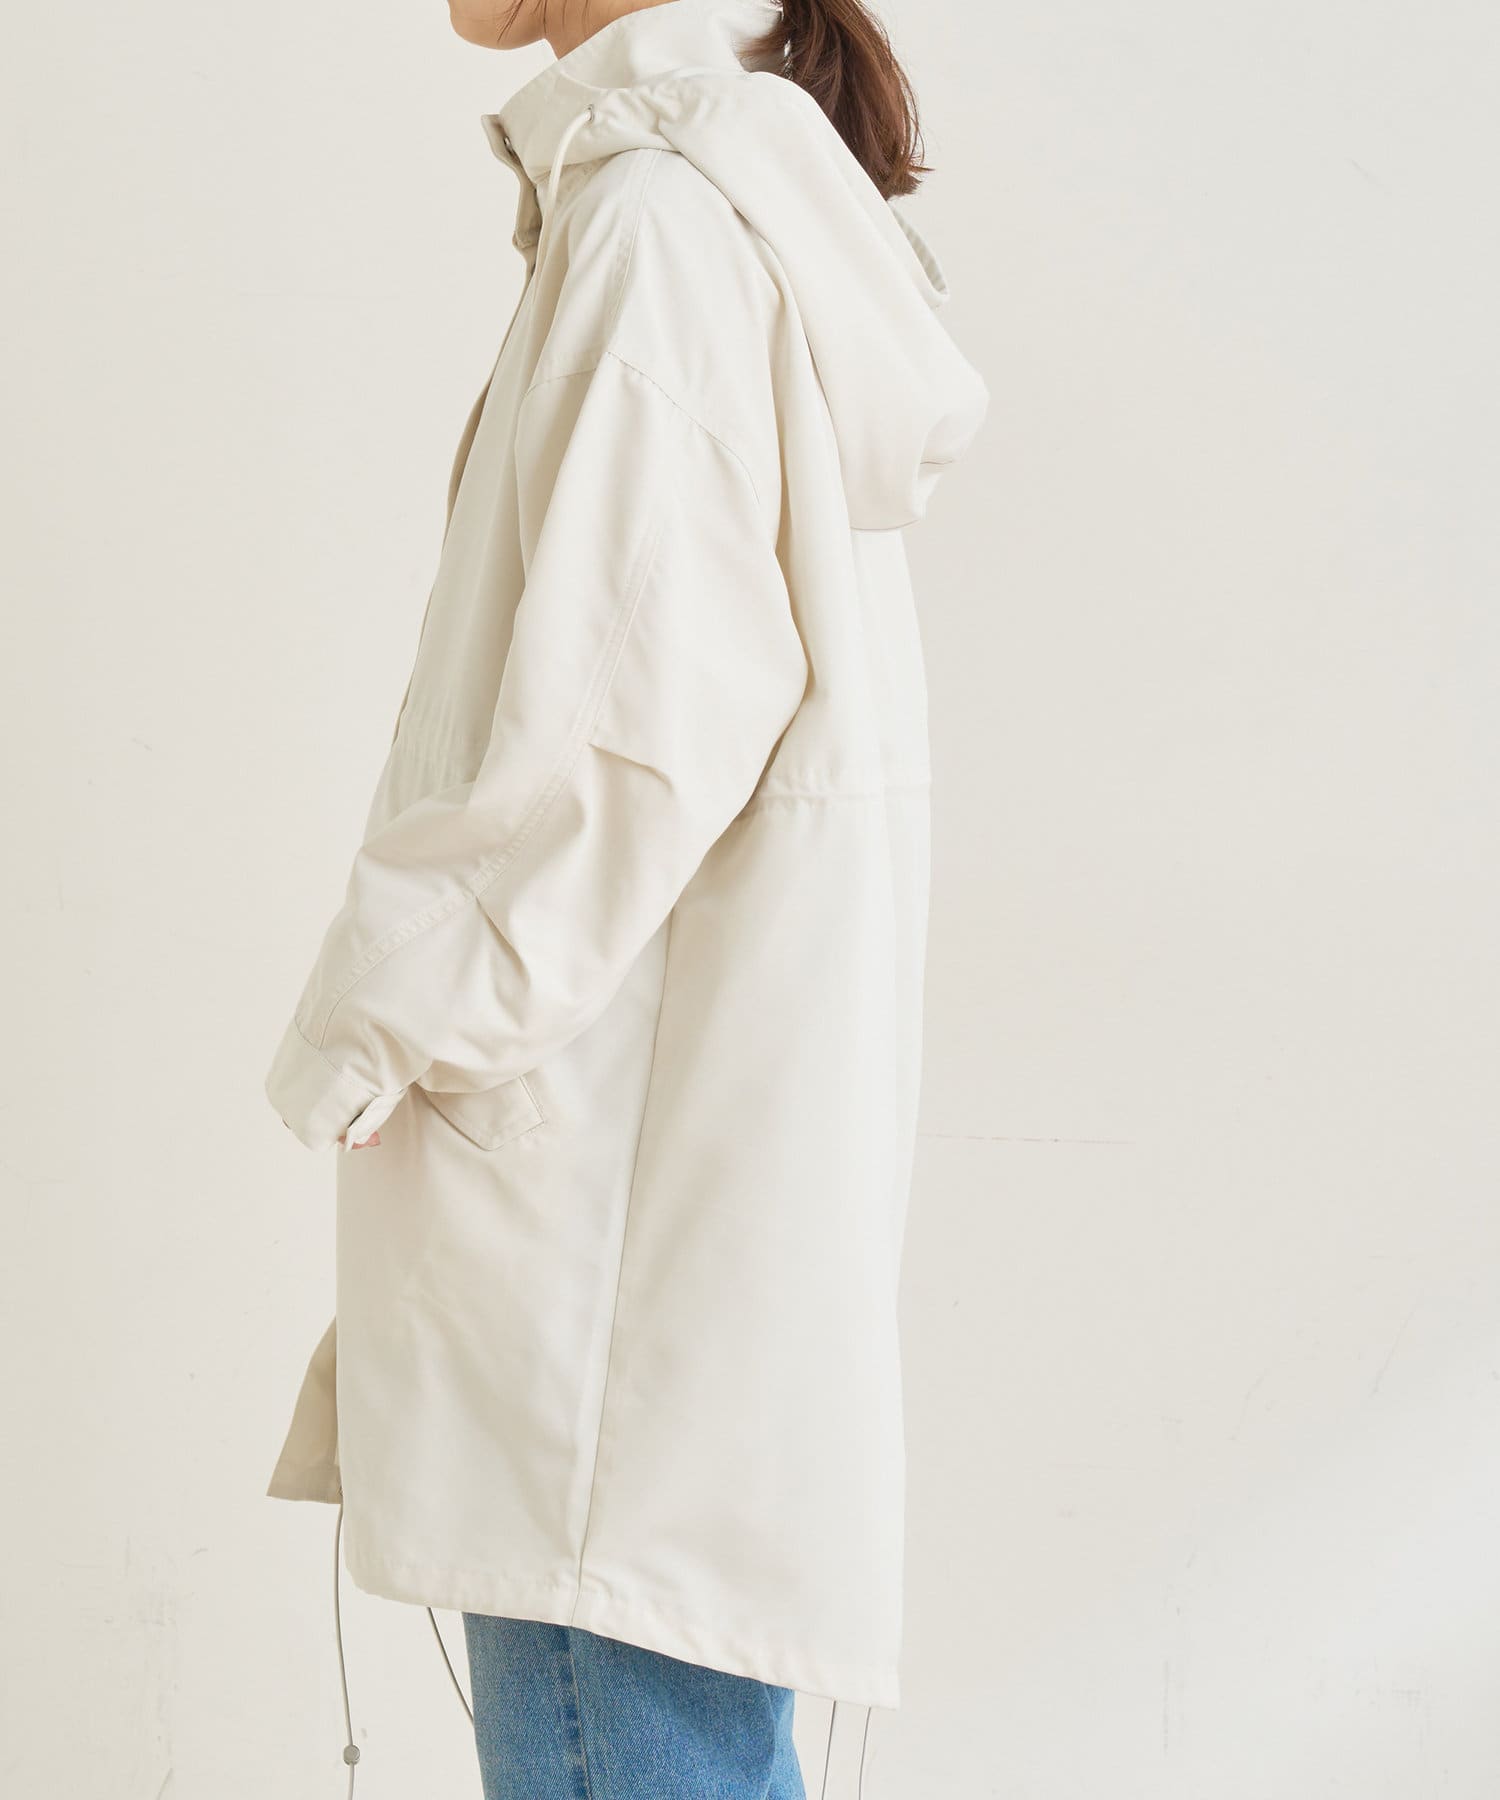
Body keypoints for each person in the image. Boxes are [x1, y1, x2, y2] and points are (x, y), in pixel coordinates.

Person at [263, 0, 987, 1790]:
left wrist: (377, 1017)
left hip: (601, 1236)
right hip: (644, 1214)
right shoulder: (696, 201)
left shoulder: (661, 224)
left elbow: (624, 729)